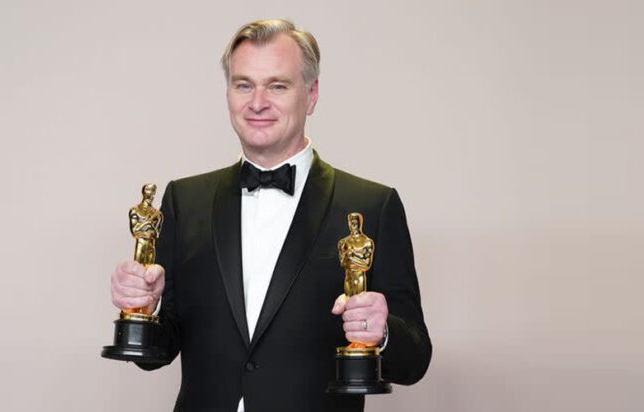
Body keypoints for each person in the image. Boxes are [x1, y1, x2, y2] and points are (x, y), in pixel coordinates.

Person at [109, 19, 432, 412]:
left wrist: (381, 334)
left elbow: (415, 359)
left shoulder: (372, 205)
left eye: (277, 85)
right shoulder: (183, 199)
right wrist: (146, 309)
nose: (257, 102)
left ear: (311, 95)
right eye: (243, 84)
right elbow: (154, 355)